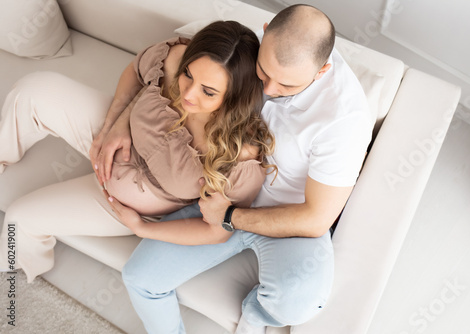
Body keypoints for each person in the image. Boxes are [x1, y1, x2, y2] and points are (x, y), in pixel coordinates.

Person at [122, 4, 373, 334]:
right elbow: (179, 58)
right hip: (220, 190)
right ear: (265, 30)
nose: (268, 91)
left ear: (321, 72)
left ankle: (255, 317)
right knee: (139, 278)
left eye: (287, 86)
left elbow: (316, 219)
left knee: (301, 299)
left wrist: (229, 216)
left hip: (283, 215)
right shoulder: (249, 43)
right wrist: (118, 121)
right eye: (264, 73)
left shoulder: (344, 120)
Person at [0, 20, 275, 283]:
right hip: (115, 138)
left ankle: (15, 267)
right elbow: (136, 71)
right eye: (188, 75)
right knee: (33, 90)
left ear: (234, 98)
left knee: (17, 221)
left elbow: (217, 232)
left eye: (208, 92)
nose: (189, 94)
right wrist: (115, 122)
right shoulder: (174, 58)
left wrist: (143, 228)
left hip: (122, 202)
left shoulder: (240, 157)